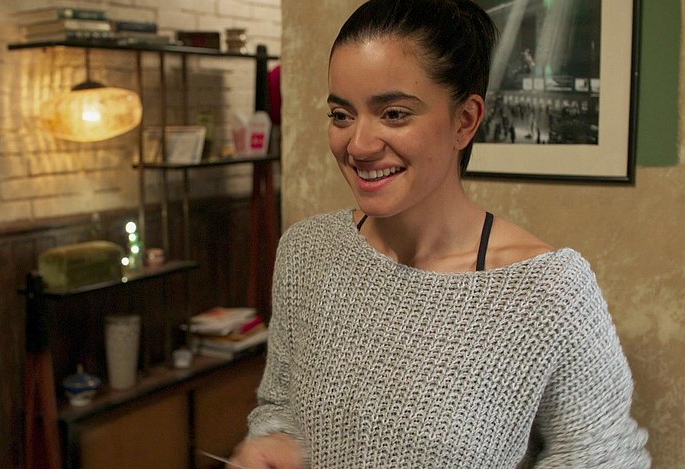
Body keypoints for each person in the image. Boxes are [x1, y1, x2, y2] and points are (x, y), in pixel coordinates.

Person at [228, 0, 650, 467]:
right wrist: (272, 443)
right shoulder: (307, 252)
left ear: (464, 121)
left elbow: (606, 456)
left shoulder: (547, 292)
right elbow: (280, 407)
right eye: (342, 115)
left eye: (394, 113)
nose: (359, 145)